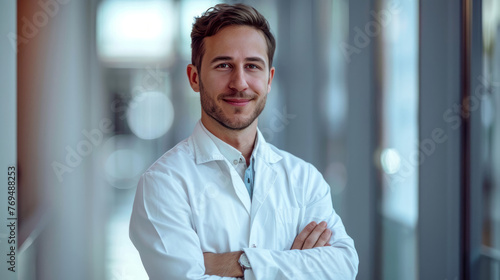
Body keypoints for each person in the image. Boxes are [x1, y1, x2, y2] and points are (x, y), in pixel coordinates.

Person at [129, 3, 358, 280]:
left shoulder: (304, 179)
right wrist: (297, 264)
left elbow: (343, 265)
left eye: (252, 66)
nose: (239, 83)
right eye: (224, 65)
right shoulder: (163, 183)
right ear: (194, 77)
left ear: (269, 78)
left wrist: (239, 263)